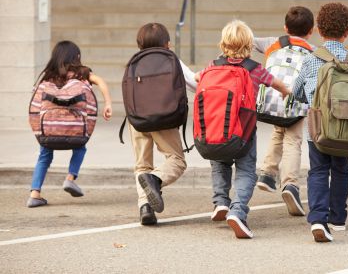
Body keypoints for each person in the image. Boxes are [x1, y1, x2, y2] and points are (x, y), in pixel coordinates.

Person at [293, 3, 348, 242]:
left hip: (318, 129)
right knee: (341, 170)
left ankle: (318, 219)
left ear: (319, 30)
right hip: (347, 126)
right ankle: (338, 219)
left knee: (318, 170)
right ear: (347, 30)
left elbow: (296, 91)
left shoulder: (312, 60)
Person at [198, 20, 290, 239]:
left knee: (220, 163)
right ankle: (237, 210)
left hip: (217, 130)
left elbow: (196, 78)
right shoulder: (255, 69)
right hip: (244, 133)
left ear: (223, 43)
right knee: (246, 170)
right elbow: (276, 83)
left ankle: (220, 201)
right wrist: (286, 91)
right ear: (249, 44)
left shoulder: (213, 65)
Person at [27, 40, 113, 207]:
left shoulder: (47, 76)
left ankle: (35, 194)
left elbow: (35, 105)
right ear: (77, 57)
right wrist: (108, 103)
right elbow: (101, 82)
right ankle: (70, 178)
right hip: (75, 130)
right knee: (80, 147)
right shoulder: (82, 73)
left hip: (49, 130)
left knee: (44, 156)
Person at [127, 23, 197, 225]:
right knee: (176, 160)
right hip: (165, 118)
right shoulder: (171, 59)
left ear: (140, 43)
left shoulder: (135, 62)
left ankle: (145, 207)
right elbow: (194, 84)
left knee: (142, 165)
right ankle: (155, 180)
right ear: (167, 43)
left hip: (137, 119)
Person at [254, 6, 315, 217]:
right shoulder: (312, 50)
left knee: (279, 131)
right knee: (293, 141)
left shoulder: (273, 42)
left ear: (285, 27)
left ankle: (268, 173)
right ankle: (290, 185)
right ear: (311, 31)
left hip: (270, 100)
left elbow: (249, 40)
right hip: (294, 102)